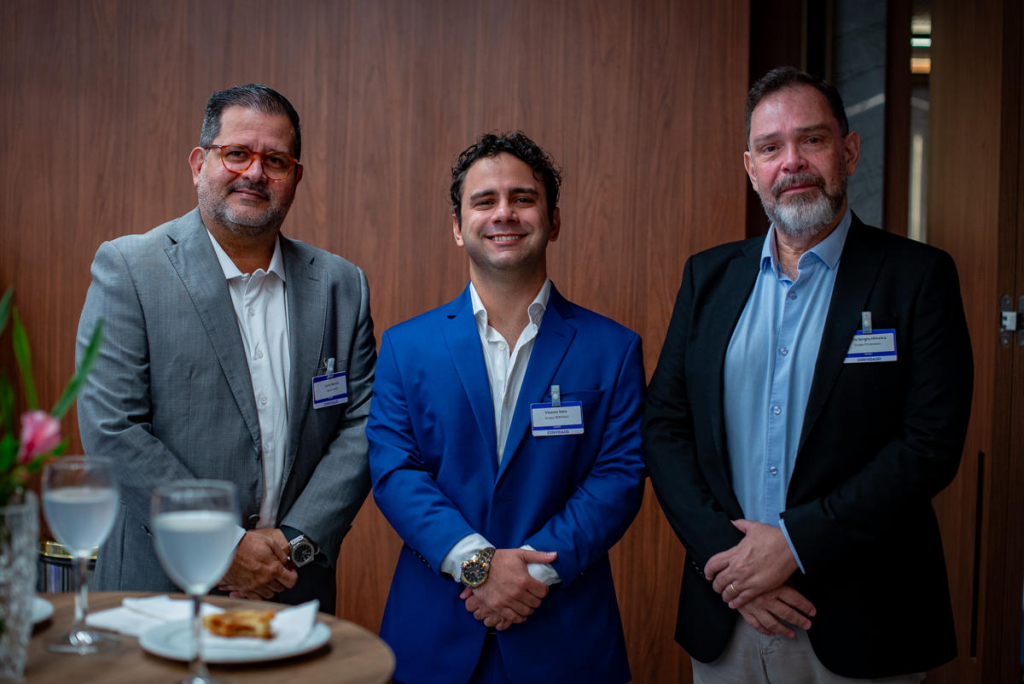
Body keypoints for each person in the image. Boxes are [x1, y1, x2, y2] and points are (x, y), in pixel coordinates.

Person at [643, 66, 973, 683]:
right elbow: (664, 427)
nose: (790, 162)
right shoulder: (707, 279)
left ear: (848, 151)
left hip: (864, 621)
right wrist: (731, 562)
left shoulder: (917, 277)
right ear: (751, 168)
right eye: (771, 148)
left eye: (812, 140)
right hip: (728, 613)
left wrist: (793, 544)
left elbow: (930, 445)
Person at [76, 84, 376, 610]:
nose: (255, 173)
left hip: (292, 590)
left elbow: (362, 424)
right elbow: (112, 427)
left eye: (275, 160)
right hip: (158, 590)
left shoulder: (340, 284)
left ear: (296, 177)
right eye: (236, 153)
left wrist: (293, 544)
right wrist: (222, 544)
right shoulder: (130, 269)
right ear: (199, 163)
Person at [367, 132, 646, 684]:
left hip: (564, 637)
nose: (504, 214)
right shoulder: (406, 347)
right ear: (457, 225)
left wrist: (529, 576)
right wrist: (477, 564)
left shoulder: (612, 349)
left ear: (553, 219)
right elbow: (395, 470)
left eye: (522, 198)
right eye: (484, 201)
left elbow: (620, 476)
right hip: (435, 637)